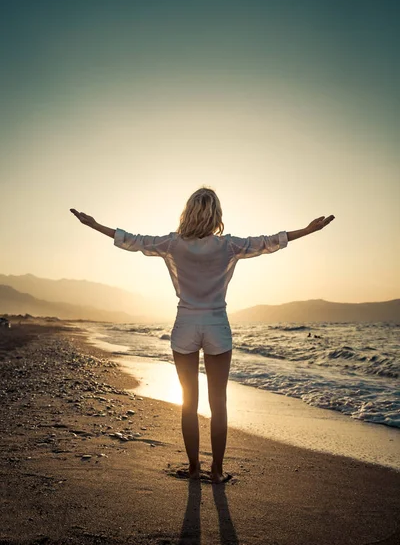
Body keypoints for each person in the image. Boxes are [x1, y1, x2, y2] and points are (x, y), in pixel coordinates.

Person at [70, 187, 335, 483]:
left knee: (189, 402)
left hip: (184, 325)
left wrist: (94, 225)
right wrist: (308, 231)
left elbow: (133, 241)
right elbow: (268, 242)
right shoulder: (229, 246)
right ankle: (218, 471)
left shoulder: (172, 243)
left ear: (189, 212)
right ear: (216, 215)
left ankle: (195, 468)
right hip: (217, 326)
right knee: (218, 402)